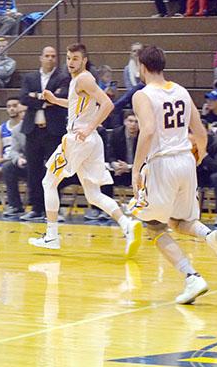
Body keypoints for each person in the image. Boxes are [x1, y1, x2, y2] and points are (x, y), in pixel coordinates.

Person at [128, 45, 217, 304]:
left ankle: (192, 277)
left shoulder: (143, 95)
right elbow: (201, 132)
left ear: (142, 67)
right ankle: (211, 236)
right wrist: (198, 157)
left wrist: (136, 167)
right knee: (178, 222)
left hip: (162, 163)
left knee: (153, 227)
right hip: (186, 161)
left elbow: (149, 130)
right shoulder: (181, 91)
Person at [28, 43, 142, 255]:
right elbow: (75, 105)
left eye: (75, 59)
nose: (70, 62)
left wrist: (89, 128)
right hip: (89, 141)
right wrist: (55, 100)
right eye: (69, 58)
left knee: (48, 181)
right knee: (93, 195)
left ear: (84, 60)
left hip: (78, 138)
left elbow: (107, 104)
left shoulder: (84, 78)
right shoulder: (78, 81)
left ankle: (51, 236)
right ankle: (127, 225)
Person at [19, 46, 70, 221]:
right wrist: (45, 99)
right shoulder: (30, 77)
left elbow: (60, 98)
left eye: (53, 56)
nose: (50, 59)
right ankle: (36, 208)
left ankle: (54, 209)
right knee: (33, 171)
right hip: (32, 130)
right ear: (41, 58)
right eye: (47, 56)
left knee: (54, 170)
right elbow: (24, 98)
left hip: (53, 131)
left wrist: (37, 97)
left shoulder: (63, 78)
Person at [2, 102, 29, 218]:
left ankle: (42, 207)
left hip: (43, 163)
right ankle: (15, 206)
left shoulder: (44, 126)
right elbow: (13, 151)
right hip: (26, 163)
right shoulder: (17, 130)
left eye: (25, 112)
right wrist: (18, 159)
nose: (23, 115)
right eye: (21, 112)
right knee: (8, 167)